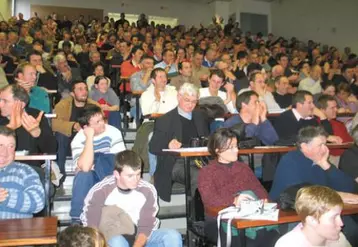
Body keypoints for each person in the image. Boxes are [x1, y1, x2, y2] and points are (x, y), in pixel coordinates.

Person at [270, 126, 358, 245]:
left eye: (325, 144)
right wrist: (337, 195)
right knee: (349, 230)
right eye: (320, 145)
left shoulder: (319, 160)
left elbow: (350, 188)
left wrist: (325, 165)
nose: (325, 148)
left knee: (352, 230)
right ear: (305, 147)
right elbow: (300, 195)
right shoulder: (290, 161)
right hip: (294, 215)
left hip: (322, 211)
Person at [81, 150, 183, 247]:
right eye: (130, 176)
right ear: (117, 174)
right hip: (111, 238)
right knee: (117, 241)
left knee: (172, 236)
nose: (136, 180)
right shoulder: (101, 190)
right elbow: (91, 225)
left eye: (138, 174)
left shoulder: (147, 190)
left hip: (140, 238)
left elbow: (146, 227)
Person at [198, 128, 280, 246]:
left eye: (236, 146)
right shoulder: (207, 172)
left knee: (271, 236)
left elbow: (258, 189)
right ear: (217, 150)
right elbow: (209, 200)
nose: (236, 150)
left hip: (249, 216)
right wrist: (234, 200)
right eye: (231, 147)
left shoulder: (243, 168)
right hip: (219, 219)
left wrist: (264, 200)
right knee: (254, 239)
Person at [149, 83, 209, 201]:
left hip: (199, 159)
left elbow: (207, 140)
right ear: (178, 97)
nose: (190, 104)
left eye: (194, 101)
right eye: (187, 100)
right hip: (176, 162)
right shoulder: (165, 120)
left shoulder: (200, 116)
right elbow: (153, 147)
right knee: (199, 176)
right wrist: (168, 144)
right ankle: (197, 216)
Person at [70, 104, 126, 223]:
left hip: (111, 174)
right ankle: (77, 219)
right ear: (86, 127)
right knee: (84, 175)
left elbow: (120, 162)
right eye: (97, 122)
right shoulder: (78, 139)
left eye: (102, 119)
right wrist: (89, 138)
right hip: (92, 178)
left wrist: (96, 161)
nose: (102, 124)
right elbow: (85, 168)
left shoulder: (113, 132)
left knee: (105, 158)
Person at [52, 81, 99, 184]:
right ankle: (60, 173)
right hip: (67, 144)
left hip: (88, 143)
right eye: (80, 89)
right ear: (72, 94)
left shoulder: (94, 106)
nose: (84, 92)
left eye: (85, 89)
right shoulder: (63, 104)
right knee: (60, 135)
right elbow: (53, 123)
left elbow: (103, 124)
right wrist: (73, 125)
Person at [275, 185, 351, 247]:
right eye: (334, 217)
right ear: (312, 221)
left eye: (339, 216)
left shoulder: (339, 238)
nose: (341, 223)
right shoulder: (287, 244)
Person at [0, 126, 45, 219]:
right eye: (0, 145)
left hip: (16, 231)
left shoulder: (25, 171)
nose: (4, 152)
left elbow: (38, 202)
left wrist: (6, 197)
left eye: (10, 146)